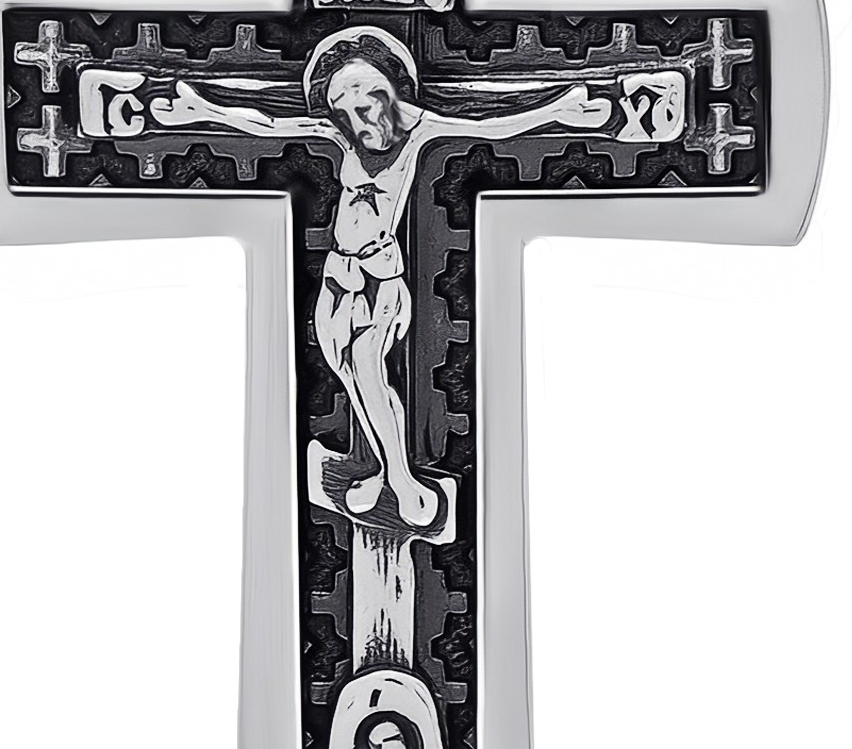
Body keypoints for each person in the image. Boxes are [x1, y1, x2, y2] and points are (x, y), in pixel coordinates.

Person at [152, 28, 607, 526]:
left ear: (389, 86)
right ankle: (382, 473)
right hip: (338, 275)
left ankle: (405, 482)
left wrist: (558, 110)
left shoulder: (419, 127)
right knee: (350, 378)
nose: (357, 117)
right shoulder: (341, 132)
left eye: (365, 96)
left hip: (378, 280)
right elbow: (268, 122)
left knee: (369, 372)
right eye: (341, 106)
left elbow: (491, 124)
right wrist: (201, 110)